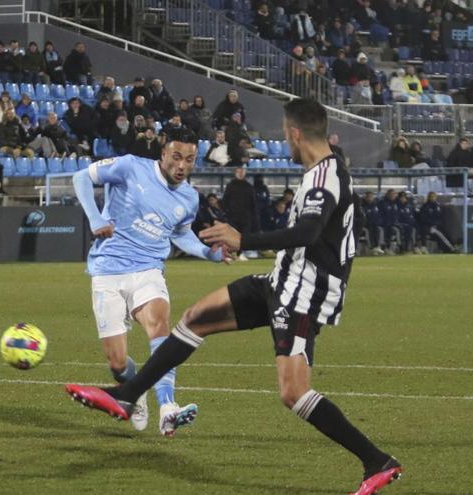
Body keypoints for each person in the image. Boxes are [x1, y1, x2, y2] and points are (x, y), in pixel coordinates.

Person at [66, 99, 403, 495]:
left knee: (293, 392)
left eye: (284, 133)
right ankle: (127, 395)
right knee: (195, 318)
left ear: (294, 133)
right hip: (282, 280)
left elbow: (309, 233)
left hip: (302, 294)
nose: (284, 141)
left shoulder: (325, 176)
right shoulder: (324, 172)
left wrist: (245, 240)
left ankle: (377, 461)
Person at [70, 131, 227, 436]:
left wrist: (208, 253)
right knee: (117, 363)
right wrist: (94, 219)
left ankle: (168, 408)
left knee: (160, 326)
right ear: (164, 153)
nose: (183, 165)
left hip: (148, 269)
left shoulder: (189, 197)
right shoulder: (130, 166)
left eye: (190, 160)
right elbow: (81, 177)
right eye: (177, 157)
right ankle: (133, 389)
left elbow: (180, 234)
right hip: (108, 269)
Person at [221, 166, 258, 247]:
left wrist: (253, 217)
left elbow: (253, 204)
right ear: (235, 173)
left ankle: (242, 253)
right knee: (232, 236)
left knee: (244, 236)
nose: (240, 173)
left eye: (242, 171)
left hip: (245, 217)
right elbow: (225, 200)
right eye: (239, 171)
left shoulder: (249, 187)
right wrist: (226, 213)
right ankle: (233, 252)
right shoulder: (230, 185)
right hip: (232, 216)